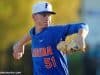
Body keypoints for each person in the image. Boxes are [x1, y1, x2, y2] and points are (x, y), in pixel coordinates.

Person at [13, 1, 89, 75]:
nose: (47, 18)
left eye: (49, 15)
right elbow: (30, 34)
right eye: (44, 15)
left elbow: (83, 26)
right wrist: (20, 44)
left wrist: (81, 36)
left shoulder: (55, 31)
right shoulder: (33, 33)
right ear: (34, 17)